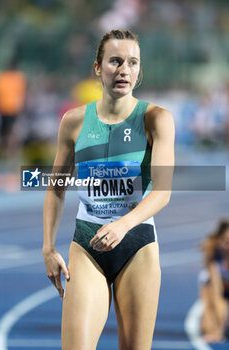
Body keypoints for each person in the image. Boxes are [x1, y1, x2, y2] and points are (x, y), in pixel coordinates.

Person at [43, 29, 175, 350]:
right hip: (87, 243)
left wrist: (122, 225)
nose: (124, 70)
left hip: (137, 244)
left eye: (133, 63)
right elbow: (56, 188)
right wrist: (48, 248)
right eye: (115, 61)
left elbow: (163, 191)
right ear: (98, 68)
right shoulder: (74, 122)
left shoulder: (156, 119)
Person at [199, 219, 229, 342]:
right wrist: (217, 331)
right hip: (219, 285)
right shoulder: (213, 253)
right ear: (218, 240)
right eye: (225, 241)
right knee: (210, 290)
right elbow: (217, 289)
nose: (227, 244)